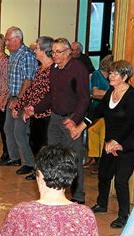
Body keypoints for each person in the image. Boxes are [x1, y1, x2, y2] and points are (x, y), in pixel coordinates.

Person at [68, 60, 134, 228]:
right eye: (110, 73)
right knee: (104, 175)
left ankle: (123, 215)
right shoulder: (110, 93)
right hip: (110, 142)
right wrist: (79, 128)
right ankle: (101, 203)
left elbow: (130, 123)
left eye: (114, 74)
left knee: (121, 180)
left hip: (127, 143)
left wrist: (116, 142)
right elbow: (95, 113)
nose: (110, 76)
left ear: (125, 76)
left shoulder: (131, 95)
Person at [25, 37, 90, 204]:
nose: (55, 55)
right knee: (53, 155)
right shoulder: (54, 69)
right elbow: (51, 95)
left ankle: (77, 196)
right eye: (53, 52)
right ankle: (54, 190)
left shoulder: (78, 69)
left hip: (70, 120)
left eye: (58, 52)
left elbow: (84, 99)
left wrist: (75, 120)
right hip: (55, 118)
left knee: (73, 157)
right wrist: (35, 108)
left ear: (68, 52)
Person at [14, 36, 54, 180]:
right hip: (35, 114)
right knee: (34, 143)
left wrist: (33, 108)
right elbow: (30, 90)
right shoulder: (39, 69)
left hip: (46, 115)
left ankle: (45, 175)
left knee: (44, 146)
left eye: (37, 48)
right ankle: (39, 171)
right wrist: (19, 106)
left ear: (44, 50)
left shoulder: (53, 71)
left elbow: (50, 96)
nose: (34, 51)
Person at [0, 26, 38, 176]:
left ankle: (29, 163)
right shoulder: (14, 54)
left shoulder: (27, 55)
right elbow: (13, 81)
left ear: (18, 39)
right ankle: (15, 157)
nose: (6, 43)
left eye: (8, 40)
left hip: (24, 98)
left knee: (19, 132)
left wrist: (19, 101)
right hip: (14, 97)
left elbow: (28, 82)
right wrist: (8, 98)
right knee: (8, 128)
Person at [84, 54, 113, 172]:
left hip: (108, 111)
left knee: (101, 132)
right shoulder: (97, 74)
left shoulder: (111, 78)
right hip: (97, 110)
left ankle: (100, 160)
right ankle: (96, 159)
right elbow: (95, 93)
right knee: (94, 131)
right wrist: (113, 94)